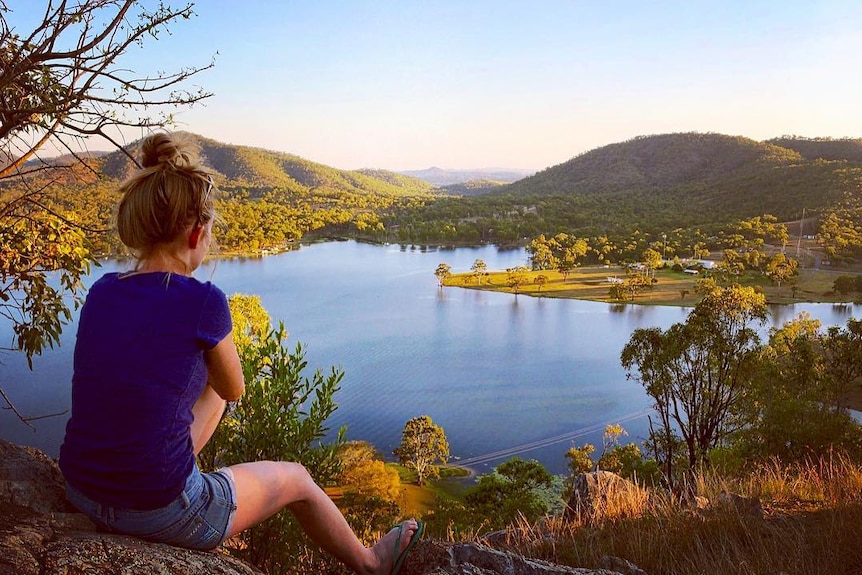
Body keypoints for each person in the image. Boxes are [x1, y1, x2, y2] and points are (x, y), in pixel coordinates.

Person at [58, 132, 423, 574]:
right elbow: (234, 387)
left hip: (81, 489)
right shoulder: (203, 301)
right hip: (160, 509)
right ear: (197, 232)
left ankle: (164, 464)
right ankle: (371, 563)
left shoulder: (101, 291)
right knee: (297, 479)